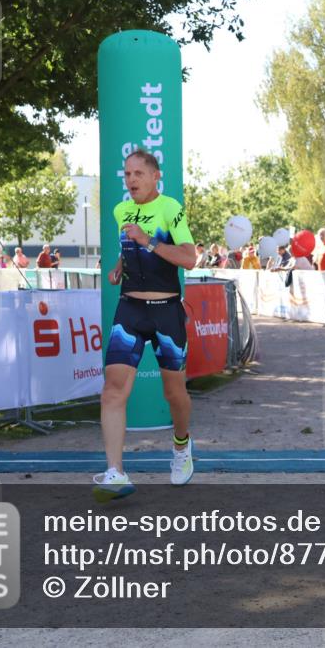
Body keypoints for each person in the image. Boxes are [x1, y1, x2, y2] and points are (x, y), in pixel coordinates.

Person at [96, 149, 198, 502]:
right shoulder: (121, 211)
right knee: (112, 390)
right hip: (130, 310)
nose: (131, 180)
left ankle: (182, 446)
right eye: (127, 174)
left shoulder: (170, 208)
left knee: (174, 394)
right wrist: (118, 265)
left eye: (138, 173)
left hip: (166, 311)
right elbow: (129, 248)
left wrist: (148, 240)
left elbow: (189, 257)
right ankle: (115, 472)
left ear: (156, 177)